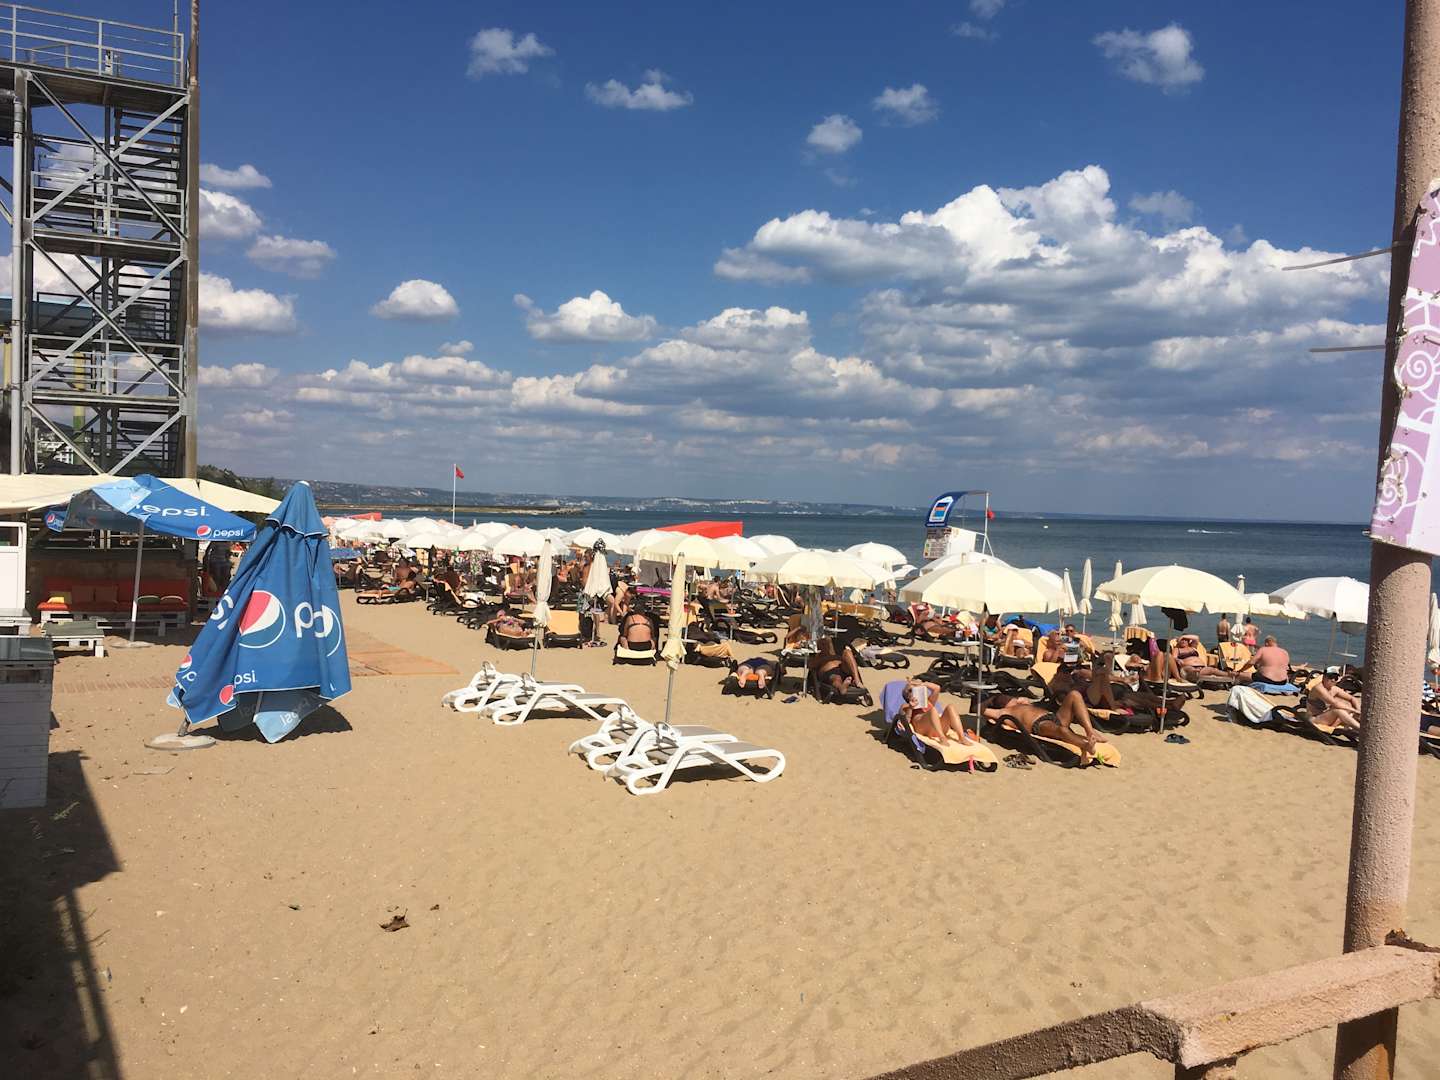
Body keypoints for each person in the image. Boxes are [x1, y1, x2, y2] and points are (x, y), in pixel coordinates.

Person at [983, 690, 1107, 766]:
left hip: (1053, 717)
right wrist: (991, 699)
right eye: (1007, 699)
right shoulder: (1002, 712)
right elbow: (979, 709)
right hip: (1040, 725)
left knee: (1074, 694)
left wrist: (1022, 701)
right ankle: (1086, 745)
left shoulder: (1022, 703)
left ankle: (1090, 731)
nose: (1011, 699)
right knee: (1063, 730)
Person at [901, 678, 982, 749]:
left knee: (950, 707)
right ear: (907, 696)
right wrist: (910, 708)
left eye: (917, 688)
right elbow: (905, 722)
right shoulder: (905, 706)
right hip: (923, 729)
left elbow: (937, 688)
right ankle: (942, 738)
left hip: (938, 728)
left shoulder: (928, 702)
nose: (915, 690)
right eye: (910, 690)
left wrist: (922, 684)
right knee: (932, 710)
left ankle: (961, 737)